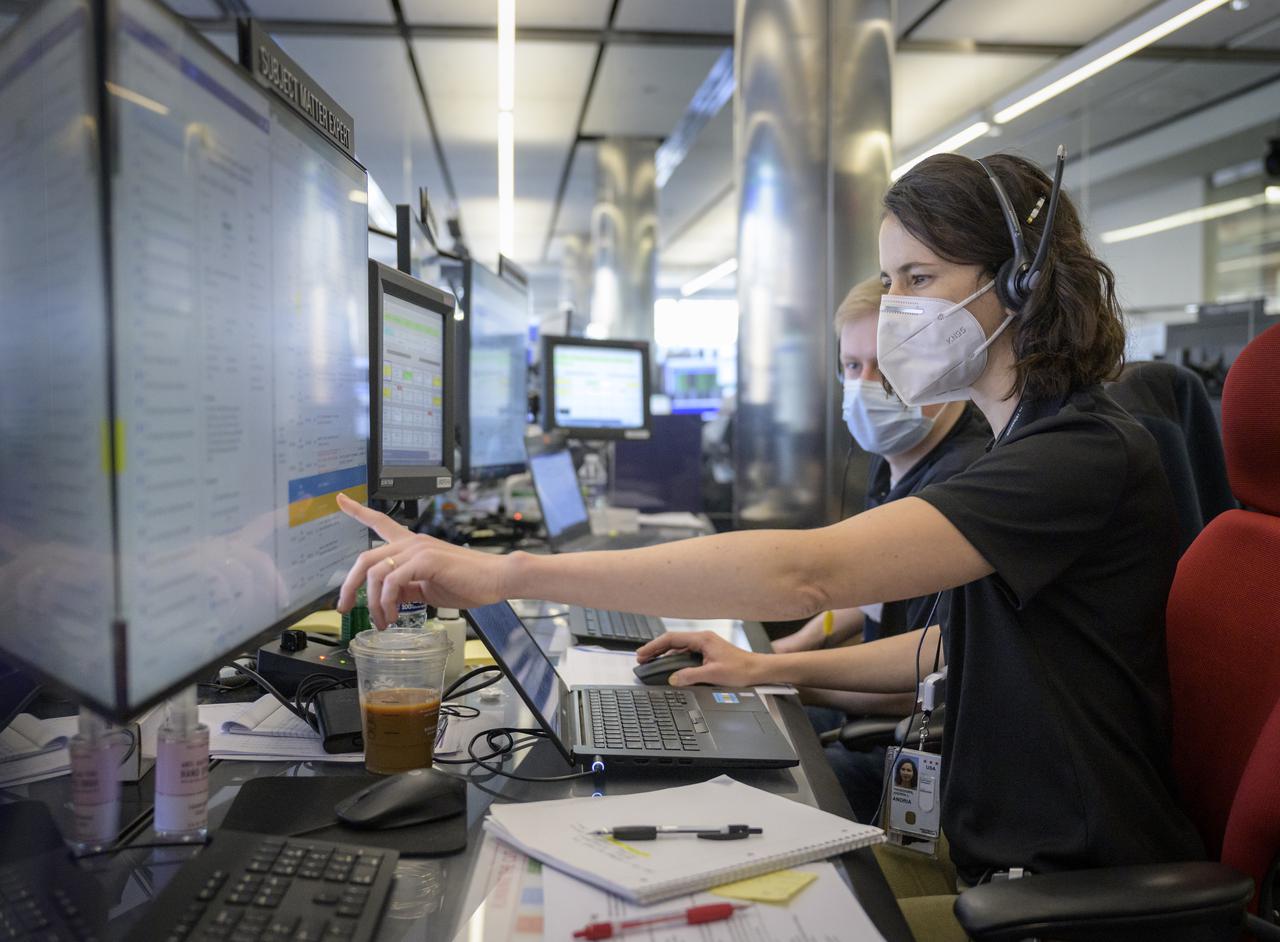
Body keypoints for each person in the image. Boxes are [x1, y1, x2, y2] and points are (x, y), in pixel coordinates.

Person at [336, 151, 1205, 941]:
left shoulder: (1079, 452)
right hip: (984, 850)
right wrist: (761, 671)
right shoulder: (1030, 444)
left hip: (1057, 894)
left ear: (1016, 285)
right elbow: (959, 645)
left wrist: (509, 572)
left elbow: (806, 572)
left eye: (921, 277)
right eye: (890, 278)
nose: (898, 307)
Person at [775, 276, 989, 822]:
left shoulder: (963, 483)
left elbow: (928, 682)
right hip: (868, 711)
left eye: (887, 366)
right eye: (853, 366)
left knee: (759, 790)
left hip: (914, 747)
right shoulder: (898, 460)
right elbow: (873, 592)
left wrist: (784, 677)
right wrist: (796, 646)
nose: (865, 384)